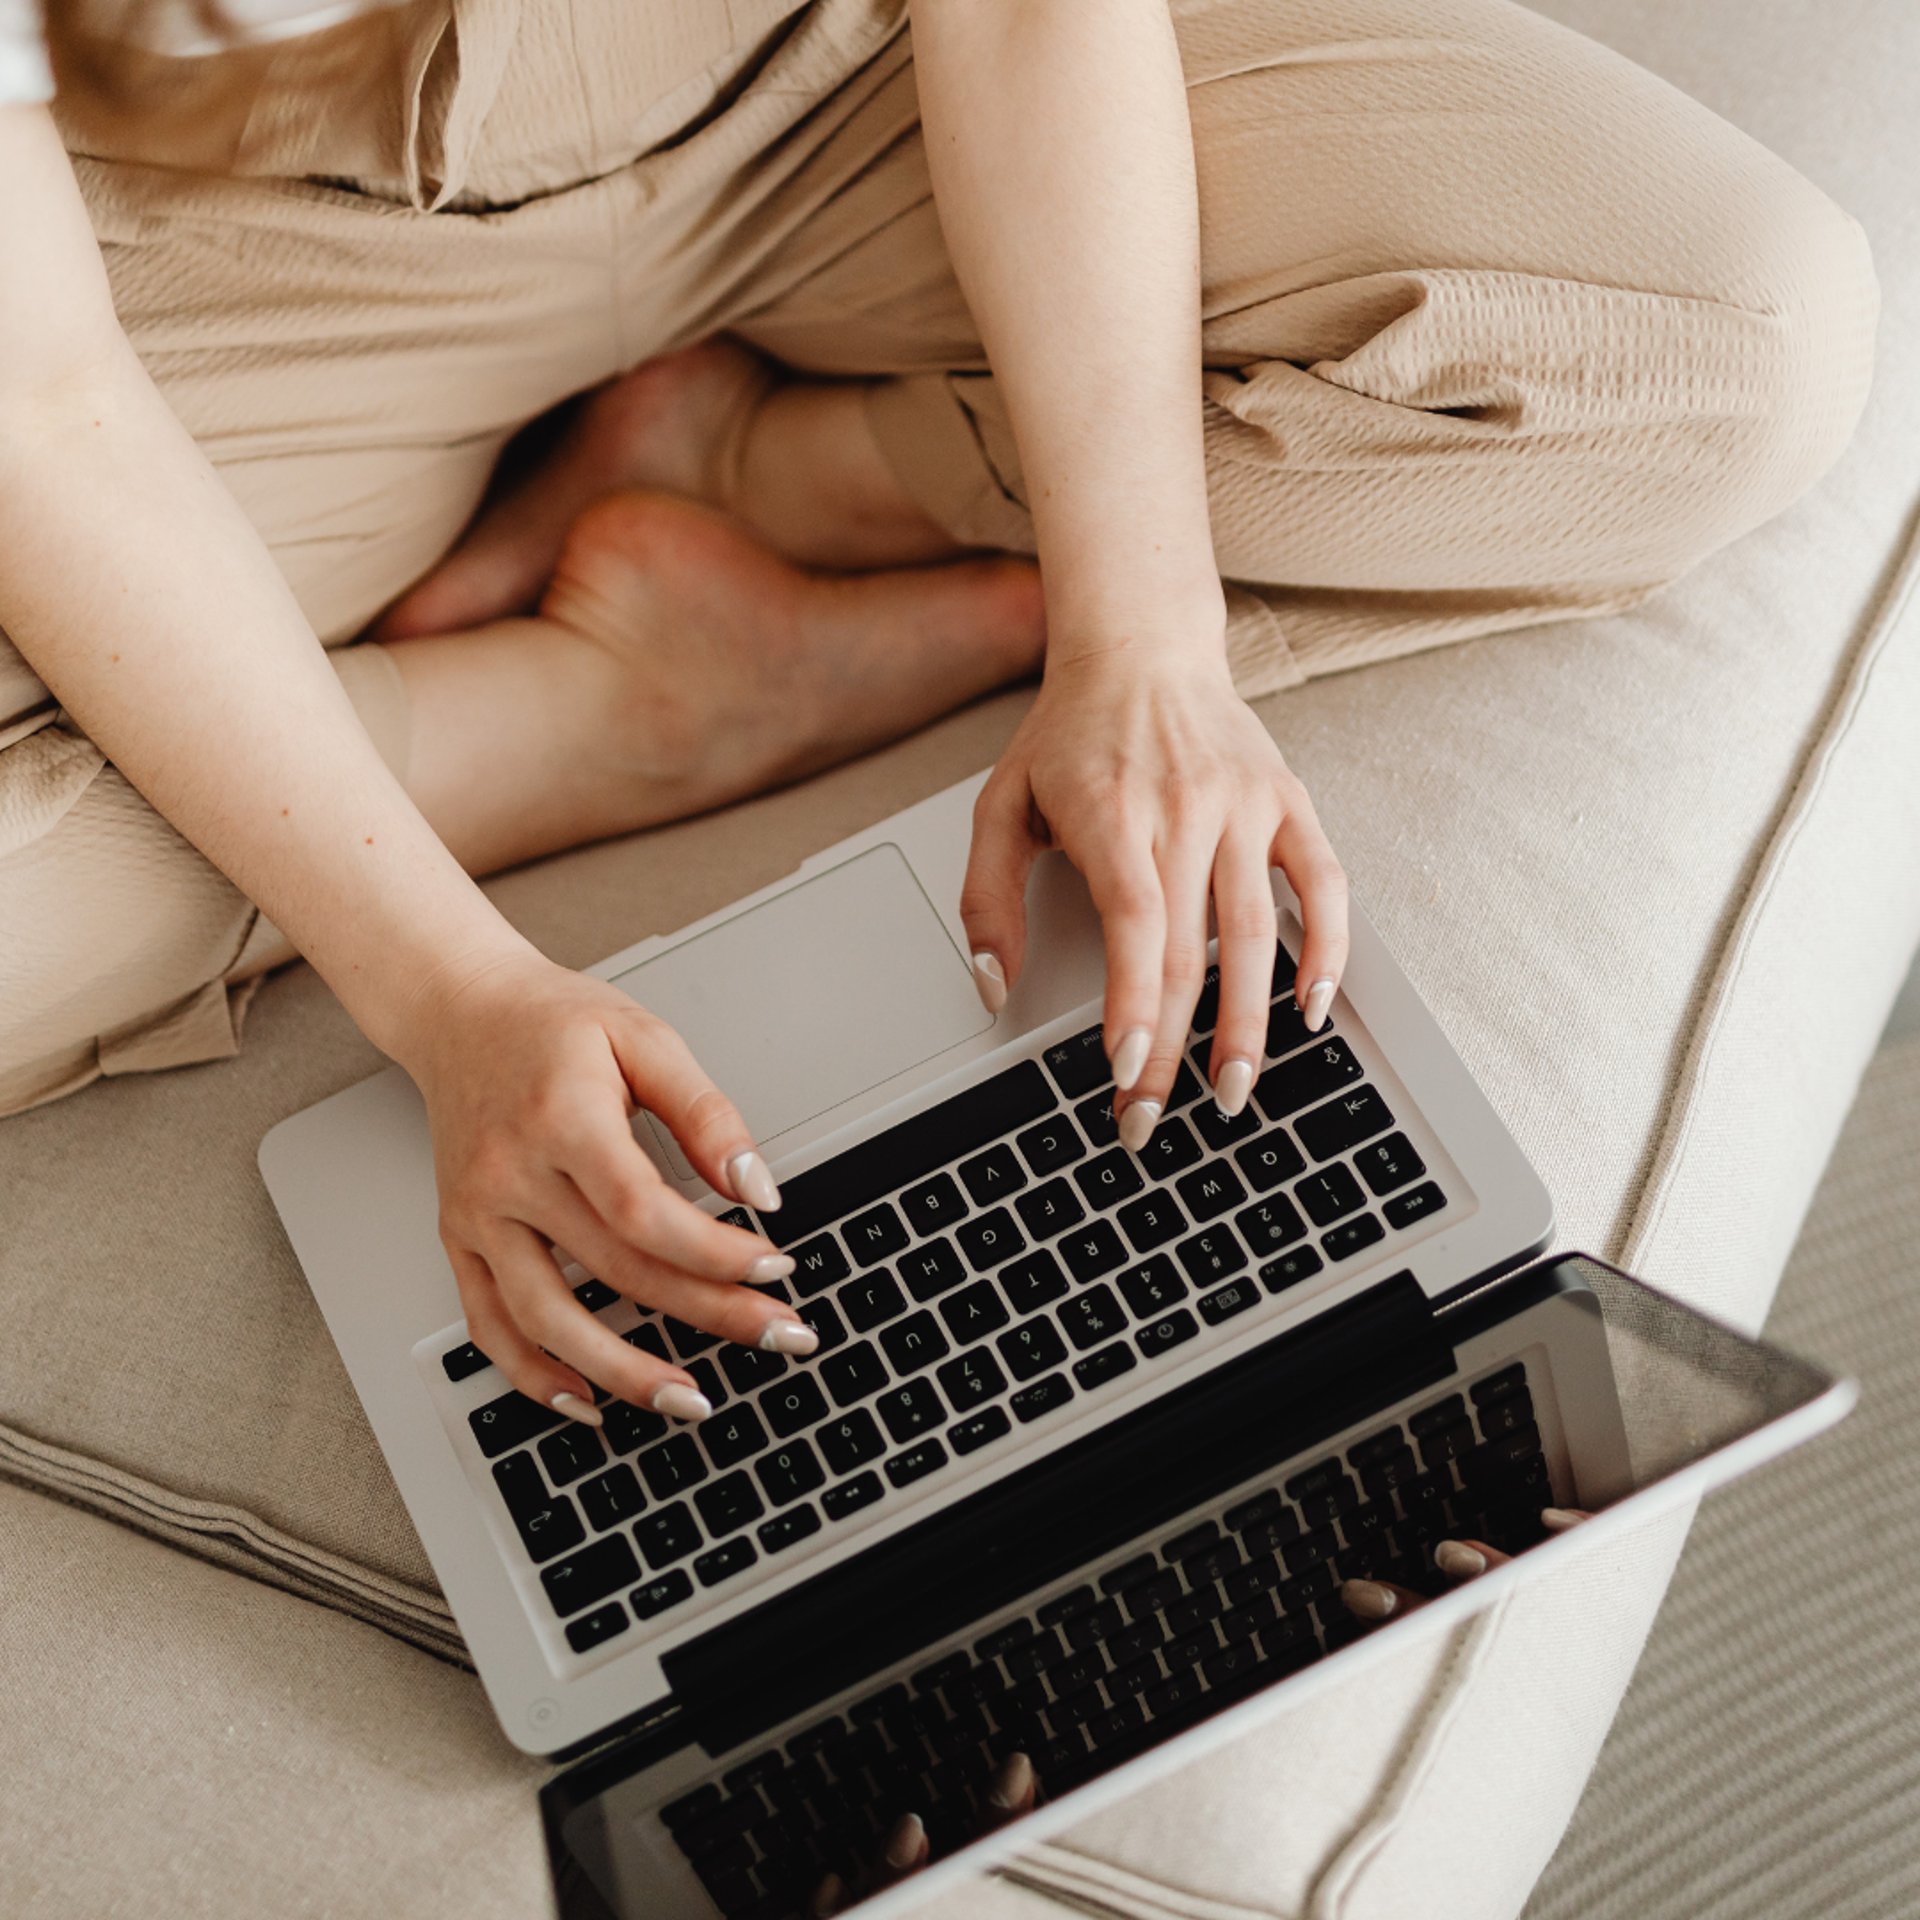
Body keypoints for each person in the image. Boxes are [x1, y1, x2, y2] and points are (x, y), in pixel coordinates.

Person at [0, 0, 1875, 1436]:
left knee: (1732, 349)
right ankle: (603, 712)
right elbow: (50, 410)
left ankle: (784, 473)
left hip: (819, 67)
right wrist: (450, 989)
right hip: (220, 255)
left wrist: (1146, 640)